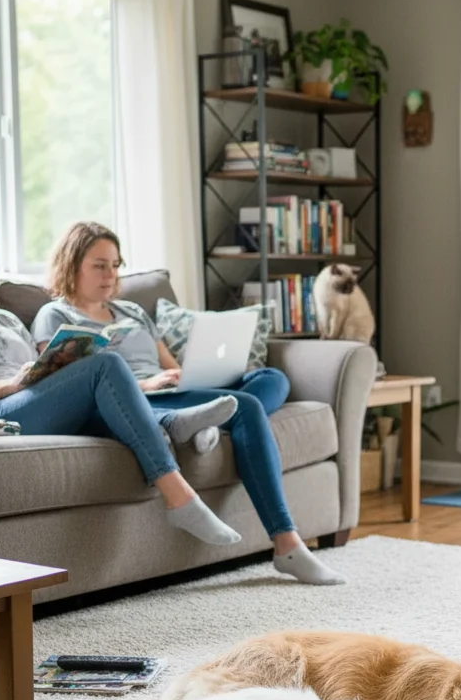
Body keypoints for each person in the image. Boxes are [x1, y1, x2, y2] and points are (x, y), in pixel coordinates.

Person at [32, 221, 345, 587]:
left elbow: (169, 364)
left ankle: (209, 422)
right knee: (245, 407)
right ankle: (287, 542)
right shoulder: (56, 316)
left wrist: (192, 375)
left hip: (171, 390)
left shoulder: (132, 311)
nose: (110, 274)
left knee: (272, 378)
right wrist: (146, 384)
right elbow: (66, 384)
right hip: (137, 401)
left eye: (115, 265)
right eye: (99, 265)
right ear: (72, 265)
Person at [0, 226, 240, 548]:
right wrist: (7, 386)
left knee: (102, 388)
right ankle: (180, 495)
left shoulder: (6, 319)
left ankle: (169, 422)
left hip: (28, 398)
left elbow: (37, 370)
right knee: (106, 365)